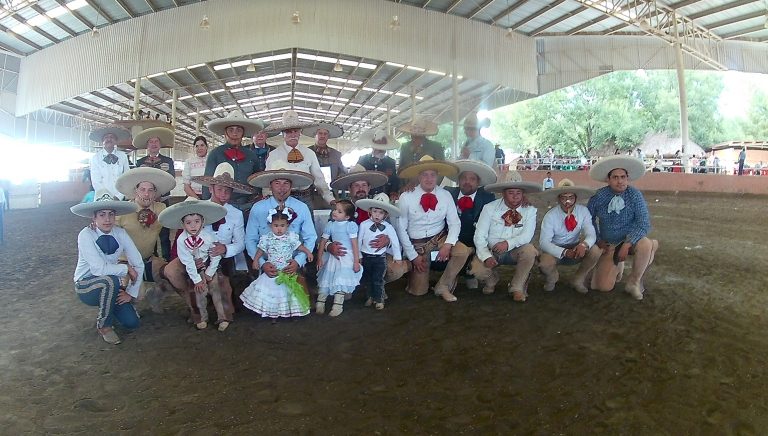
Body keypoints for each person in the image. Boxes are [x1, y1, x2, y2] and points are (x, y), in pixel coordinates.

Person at [71, 189, 143, 345]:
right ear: (94, 217)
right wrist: (126, 269)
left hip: (111, 283)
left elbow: (138, 262)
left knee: (132, 322)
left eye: (111, 214)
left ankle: (109, 307)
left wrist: (131, 293)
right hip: (86, 285)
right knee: (110, 281)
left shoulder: (120, 233)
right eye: (102, 214)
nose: (107, 219)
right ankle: (104, 326)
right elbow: (98, 269)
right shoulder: (86, 235)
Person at [587, 155, 659, 300]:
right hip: (609, 244)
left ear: (628, 178)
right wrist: (598, 239)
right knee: (601, 287)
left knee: (645, 243)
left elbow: (643, 223)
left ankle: (634, 281)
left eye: (623, 177)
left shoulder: (635, 195)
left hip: (630, 241)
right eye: (615, 177)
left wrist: (627, 243)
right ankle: (616, 265)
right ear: (608, 179)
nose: (620, 181)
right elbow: (588, 220)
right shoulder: (598, 196)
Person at [395, 156, 466, 302]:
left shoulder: (445, 195)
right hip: (417, 244)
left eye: (432, 175)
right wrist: (413, 256)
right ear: (418, 176)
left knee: (462, 251)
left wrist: (448, 244)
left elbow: (455, 223)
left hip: (439, 238)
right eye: (425, 175)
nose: (429, 179)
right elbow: (401, 229)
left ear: (437, 176)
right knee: (418, 292)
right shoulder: (406, 197)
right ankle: (411, 272)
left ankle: (443, 285)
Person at [469, 170, 542, 302]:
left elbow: (527, 236)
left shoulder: (530, 210)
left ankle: (517, 287)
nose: (515, 196)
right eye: (511, 193)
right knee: (476, 270)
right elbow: (479, 235)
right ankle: (492, 279)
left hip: (516, 250)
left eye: (518, 193)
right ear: (503, 193)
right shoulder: (489, 208)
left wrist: (508, 244)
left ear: (523, 194)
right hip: (493, 251)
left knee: (530, 251)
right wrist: (486, 257)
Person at [327, 164, 406, 285]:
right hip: (348, 255)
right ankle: (355, 285)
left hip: (374, 255)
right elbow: (327, 234)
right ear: (350, 188)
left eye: (364, 185)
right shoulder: (340, 208)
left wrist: (387, 241)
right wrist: (329, 246)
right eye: (356, 185)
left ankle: (375, 286)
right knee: (344, 293)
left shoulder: (380, 207)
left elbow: (392, 234)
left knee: (395, 270)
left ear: (369, 188)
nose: (361, 188)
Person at [191, 162, 253, 310]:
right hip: (199, 255)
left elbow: (240, 243)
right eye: (219, 189)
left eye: (227, 191)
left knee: (226, 281)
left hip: (225, 258)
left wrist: (225, 249)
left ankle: (225, 305)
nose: (223, 194)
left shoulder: (236, 214)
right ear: (211, 189)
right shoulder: (198, 209)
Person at [158, 198, 228, 330]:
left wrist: (209, 273)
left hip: (209, 266)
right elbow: (187, 261)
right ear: (183, 224)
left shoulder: (208, 237)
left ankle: (223, 317)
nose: (193, 226)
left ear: (203, 222)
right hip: (193, 269)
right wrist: (196, 280)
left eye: (197, 221)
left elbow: (215, 255)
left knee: (217, 287)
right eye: (188, 223)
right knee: (196, 291)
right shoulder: (181, 240)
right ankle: (200, 317)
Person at [245, 162, 318, 288]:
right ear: (270, 186)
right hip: (268, 266)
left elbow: (310, 237)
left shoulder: (301, 208)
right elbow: (250, 239)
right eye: (277, 183)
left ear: (291, 186)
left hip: (293, 266)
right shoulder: (258, 208)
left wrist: (298, 261)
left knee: (297, 302)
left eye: (286, 183)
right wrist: (262, 263)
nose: (282, 188)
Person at [114, 167, 177, 307]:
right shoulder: (122, 210)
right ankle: (127, 307)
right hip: (125, 262)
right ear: (135, 191)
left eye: (150, 190)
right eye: (142, 189)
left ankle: (154, 296)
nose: (146, 194)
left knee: (175, 278)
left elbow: (180, 217)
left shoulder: (161, 209)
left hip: (148, 260)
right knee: (136, 295)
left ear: (155, 193)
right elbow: (106, 230)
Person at [240, 209, 313, 320]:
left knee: (289, 294)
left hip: (287, 271)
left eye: (282, 225)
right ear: (270, 225)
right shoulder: (267, 238)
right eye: (276, 225)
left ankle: (292, 313)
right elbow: (260, 250)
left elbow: (300, 247)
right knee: (273, 294)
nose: (279, 229)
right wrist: (255, 260)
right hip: (273, 271)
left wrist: (308, 252)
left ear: (287, 225)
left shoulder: (291, 237)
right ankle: (272, 314)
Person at [538, 179, 601, 294]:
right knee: (544, 263)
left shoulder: (583, 211)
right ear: (558, 199)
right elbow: (544, 242)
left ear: (575, 198)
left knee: (595, 251)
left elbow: (591, 233)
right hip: (555, 248)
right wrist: (564, 252)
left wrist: (584, 244)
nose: (567, 201)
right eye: (564, 197)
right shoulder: (550, 216)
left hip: (575, 246)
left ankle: (578, 279)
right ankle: (552, 278)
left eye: (571, 197)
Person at [442, 160, 497, 291]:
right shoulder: (447, 193)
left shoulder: (488, 198)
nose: (467, 182)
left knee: (477, 266)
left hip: (476, 242)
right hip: (451, 241)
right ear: (458, 180)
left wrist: (523, 198)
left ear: (478, 183)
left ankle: (470, 274)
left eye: (472, 179)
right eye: (464, 178)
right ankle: (452, 274)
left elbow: (505, 204)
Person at [263, 111, 335, 209]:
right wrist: (268, 198)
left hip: (306, 197)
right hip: (282, 199)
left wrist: (330, 199)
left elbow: (319, 179)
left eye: (295, 131)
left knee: (307, 224)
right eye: (289, 131)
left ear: (300, 132)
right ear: (283, 134)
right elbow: (268, 179)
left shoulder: (309, 153)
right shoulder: (274, 155)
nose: (293, 134)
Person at [204, 110, 265, 210]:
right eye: (231, 130)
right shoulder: (215, 154)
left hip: (248, 205)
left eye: (238, 130)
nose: (235, 133)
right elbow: (207, 182)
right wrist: (207, 206)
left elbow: (257, 180)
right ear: (225, 132)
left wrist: (257, 200)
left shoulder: (251, 155)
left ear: (243, 133)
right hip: (222, 205)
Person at [316, 200, 363, 316]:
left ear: (347, 217)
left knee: (341, 279)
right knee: (327, 278)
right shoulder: (330, 225)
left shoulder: (350, 226)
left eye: (339, 211)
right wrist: (319, 257)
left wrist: (356, 261)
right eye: (335, 209)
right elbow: (323, 241)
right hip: (333, 256)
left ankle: (338, 305)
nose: (335, 212)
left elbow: (354, 244)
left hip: (346, 257)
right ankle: (320, 303)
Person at [356, 193, 402, 310]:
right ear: (370, 211)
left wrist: (397, 257)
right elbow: (359, 240)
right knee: (368, 279)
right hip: (366, 256)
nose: (377, 215)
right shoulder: (364, 225)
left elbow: (395, 242)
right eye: (375, 211)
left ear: (385, 214)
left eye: (381, 212)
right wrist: (359, 255)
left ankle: (379, 299)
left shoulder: (388, 227)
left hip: (379, 257)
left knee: (378, 279)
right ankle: (370, 296)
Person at [88, 125, 131, 200]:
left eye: (112, 137)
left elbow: (127, 177)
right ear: (102, 141)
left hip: (120, 198)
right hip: (101, 197)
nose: (109, 139)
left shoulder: (123, 156)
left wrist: (119, 196)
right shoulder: (95, 158)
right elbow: (96, 181)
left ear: (116, 141)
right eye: (106, 137)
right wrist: (106, 197)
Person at [356, 129, 401, 197]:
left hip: (385, 197)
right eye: (378, 147)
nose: (380, 150)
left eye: (382, 148)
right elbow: (356, 178)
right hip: (366, 197)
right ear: (373, 147)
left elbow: (394, 181)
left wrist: (393, 192)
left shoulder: (391, 162)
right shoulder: (363, 160)